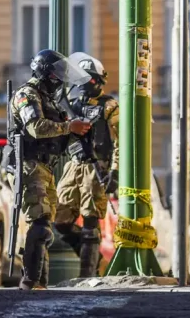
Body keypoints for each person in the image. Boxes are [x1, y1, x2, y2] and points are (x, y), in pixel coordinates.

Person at [9, 49, 92, 289]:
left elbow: (61, 135)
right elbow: (35, 127)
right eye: (57, 75)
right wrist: (69, 127)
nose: (60, 80)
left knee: (45, 224)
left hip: (45, 166)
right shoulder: (27, 94)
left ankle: (40, 283)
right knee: (41, 221)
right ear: (46, 73)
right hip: (30, 163)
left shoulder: (49, 99)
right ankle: (30, 281)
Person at [53, 53, 119, 278]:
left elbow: (120, 141)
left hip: (96, 165)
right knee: (59, 218)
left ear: (98, 80)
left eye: (88, 79)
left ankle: (87, 274)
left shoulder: (109, 106)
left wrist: (115, 171)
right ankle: (88, 252)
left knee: (91, 220)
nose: (83, 83)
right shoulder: (70, 104)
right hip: (73, 164)